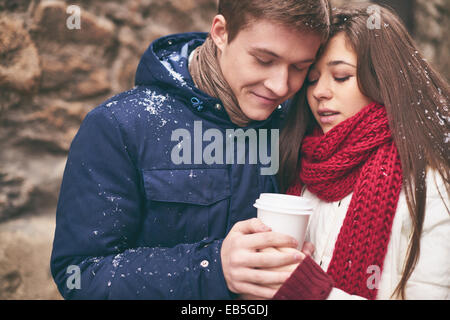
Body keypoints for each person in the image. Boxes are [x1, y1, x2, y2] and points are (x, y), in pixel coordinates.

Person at [50, 0, 331, 299]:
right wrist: (212, 270)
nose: (280, 86)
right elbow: (80, 274)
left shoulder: (298, 119)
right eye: (264, 60)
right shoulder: (117, 126)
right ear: (221, 32)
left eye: (300, 68)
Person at [271, 4, 450, 300]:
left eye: (341, 76)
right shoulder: (303, 164)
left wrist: (311, 291)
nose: (319, 92)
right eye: (312, 79)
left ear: (384, 79)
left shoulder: (431, 181)